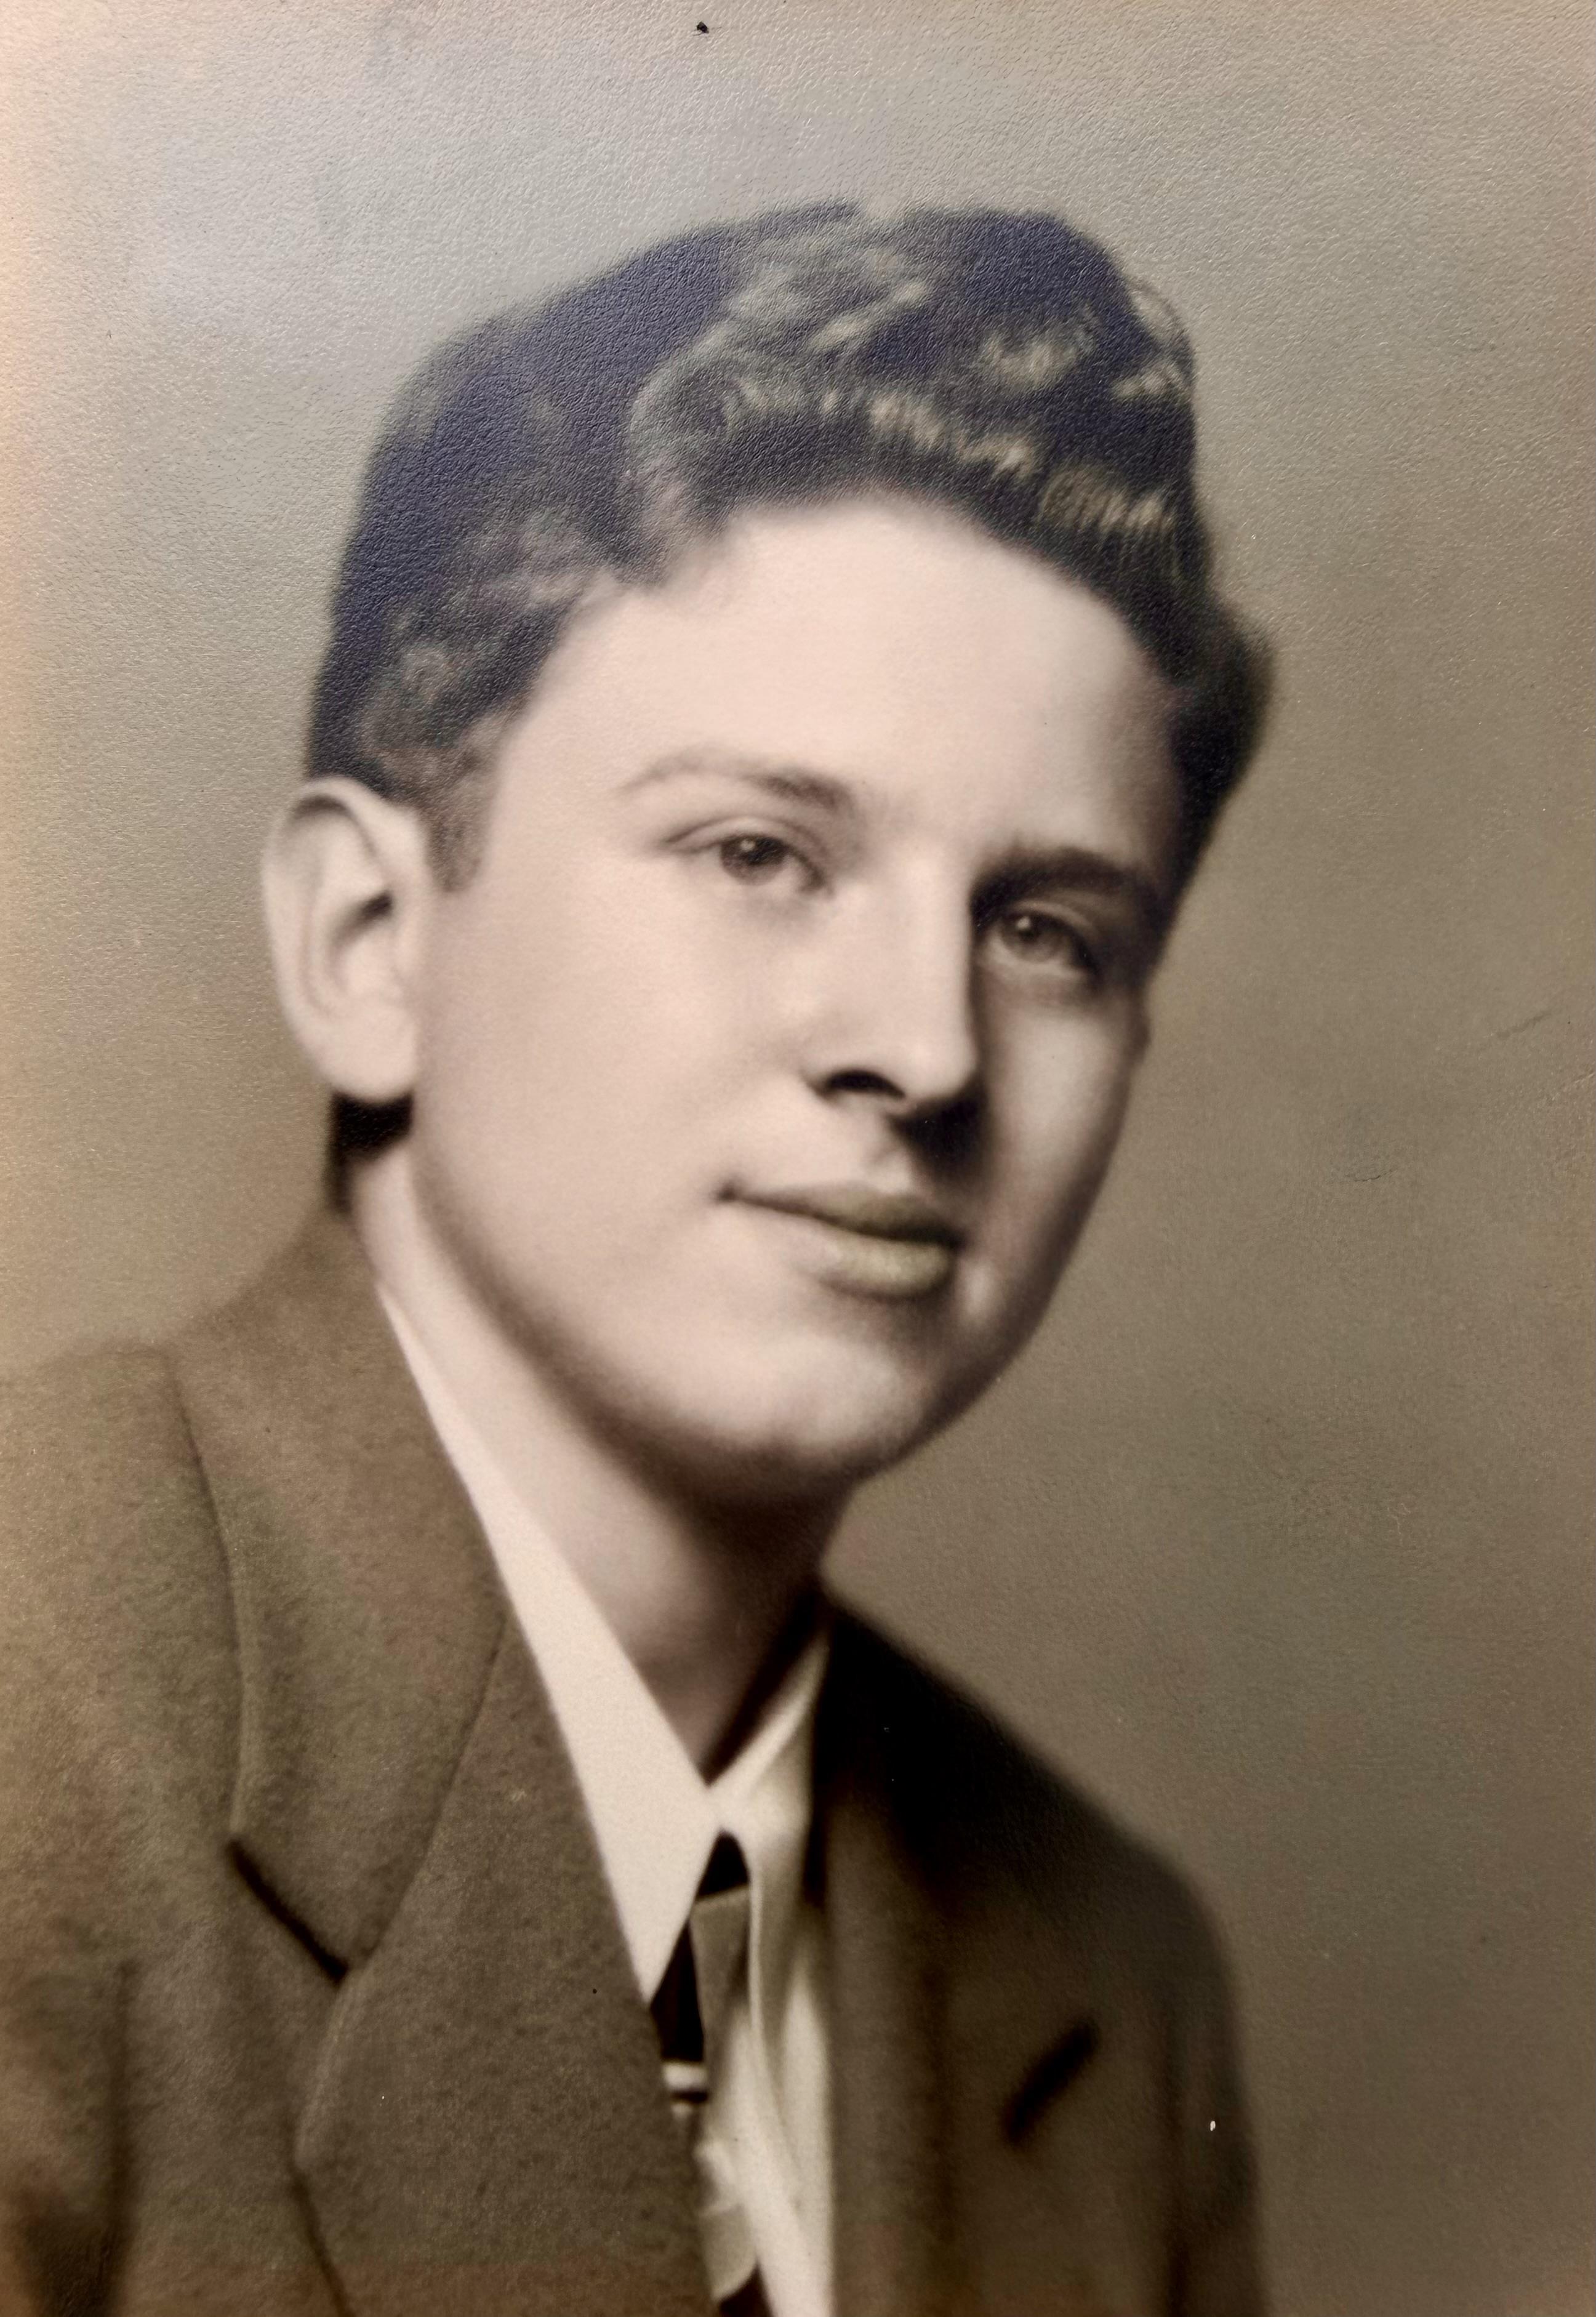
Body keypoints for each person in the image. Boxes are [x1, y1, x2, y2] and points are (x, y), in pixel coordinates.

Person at [0, 203, 1271, 2316]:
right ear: (369, 942)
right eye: (759, 851)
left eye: (1047, 929)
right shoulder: (35, 1703)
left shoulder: (1109, 1979)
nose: (926, 1046)